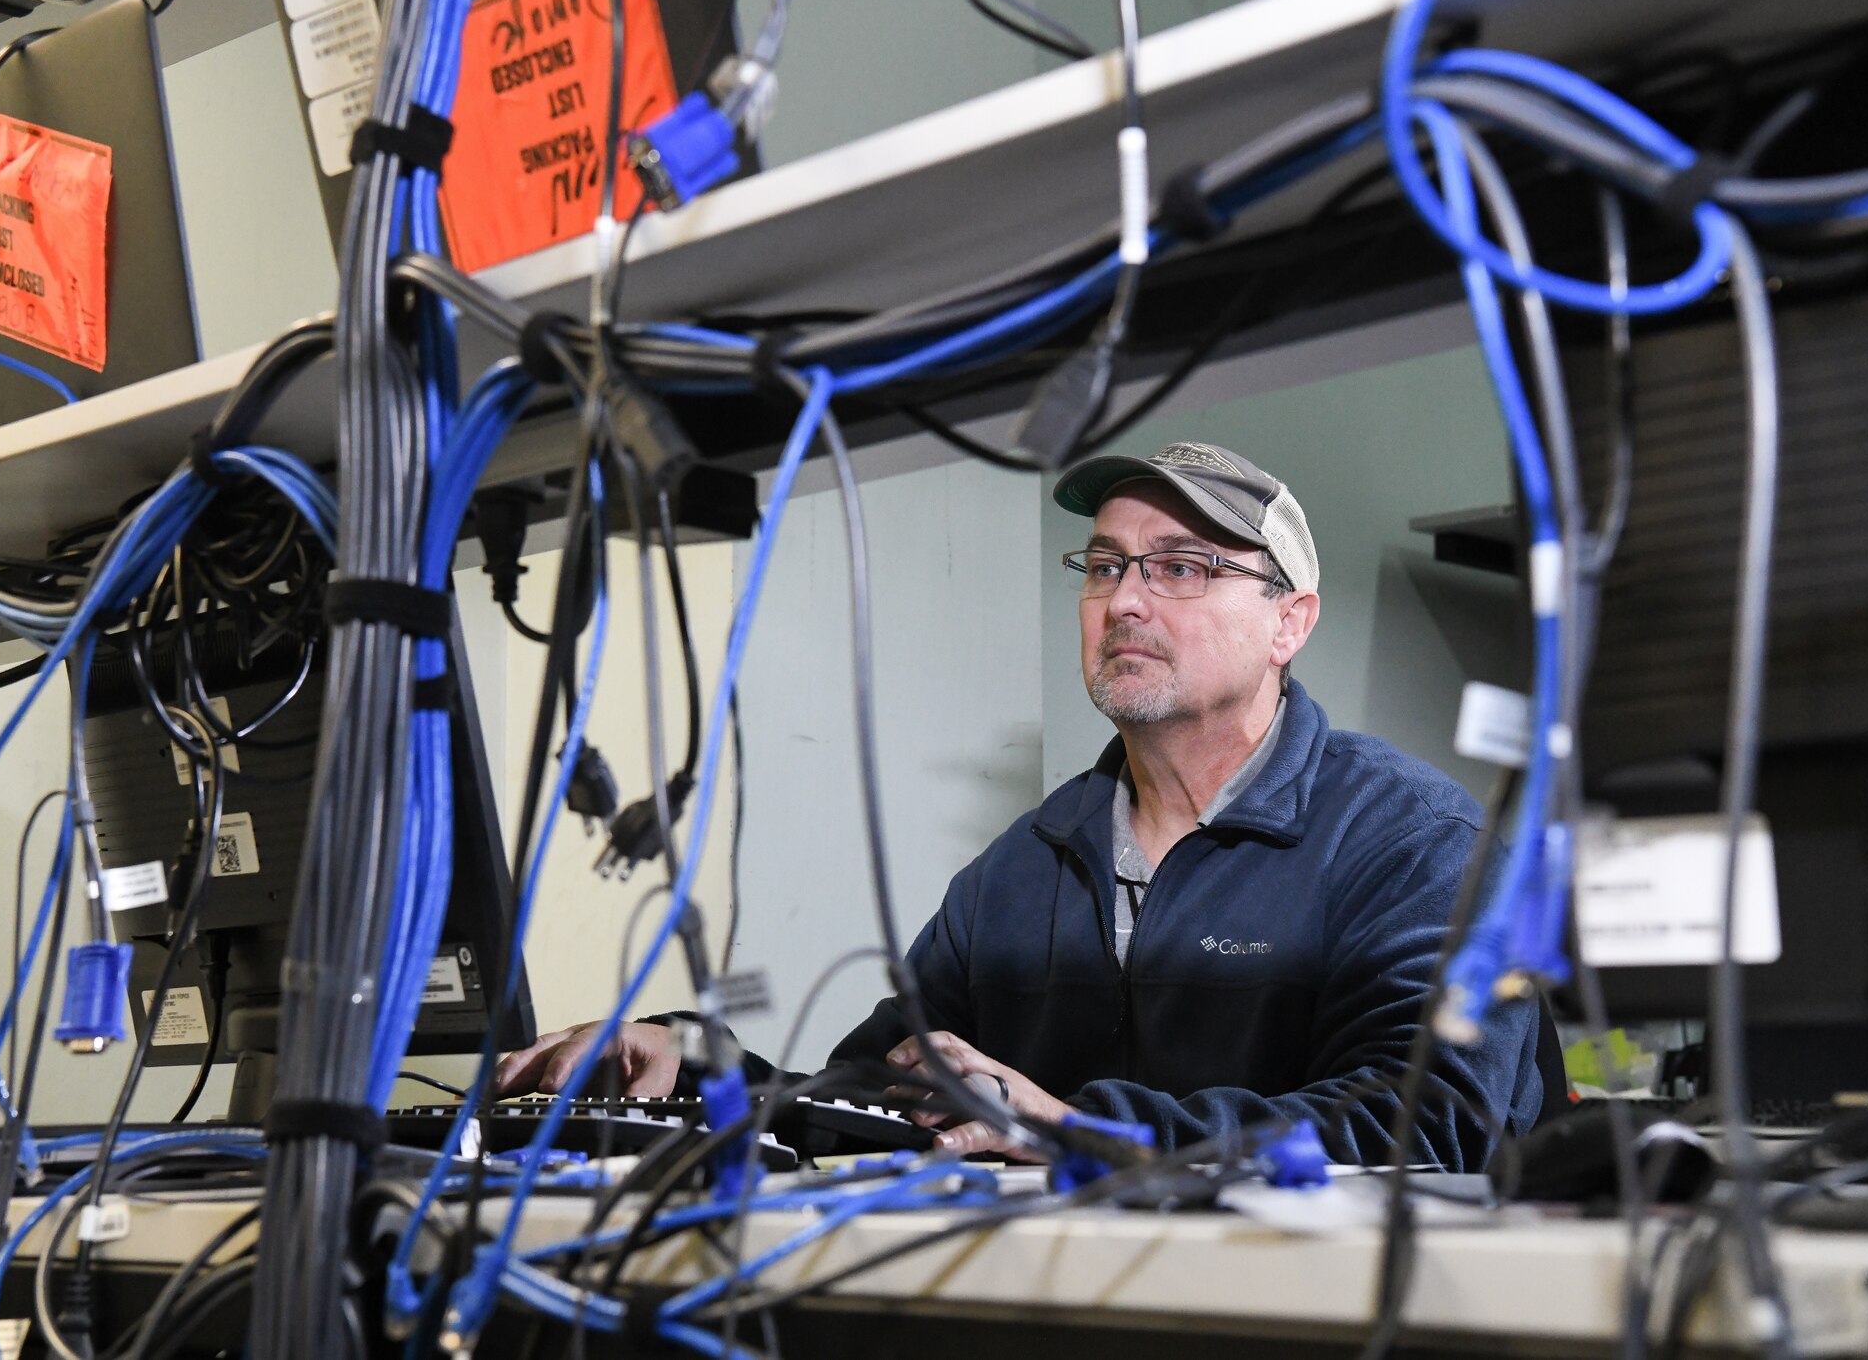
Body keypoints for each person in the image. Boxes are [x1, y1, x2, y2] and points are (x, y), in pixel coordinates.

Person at [495, 442, 1548, 1171]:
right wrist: (701, 1070)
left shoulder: (1414, 842)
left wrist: (1082, 1126)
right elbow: (882, 1091)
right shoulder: (1026, 864)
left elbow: (1428, 1126)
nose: (1124, 598)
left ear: (1289, 622)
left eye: (1179, 566)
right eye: (1103, 565)